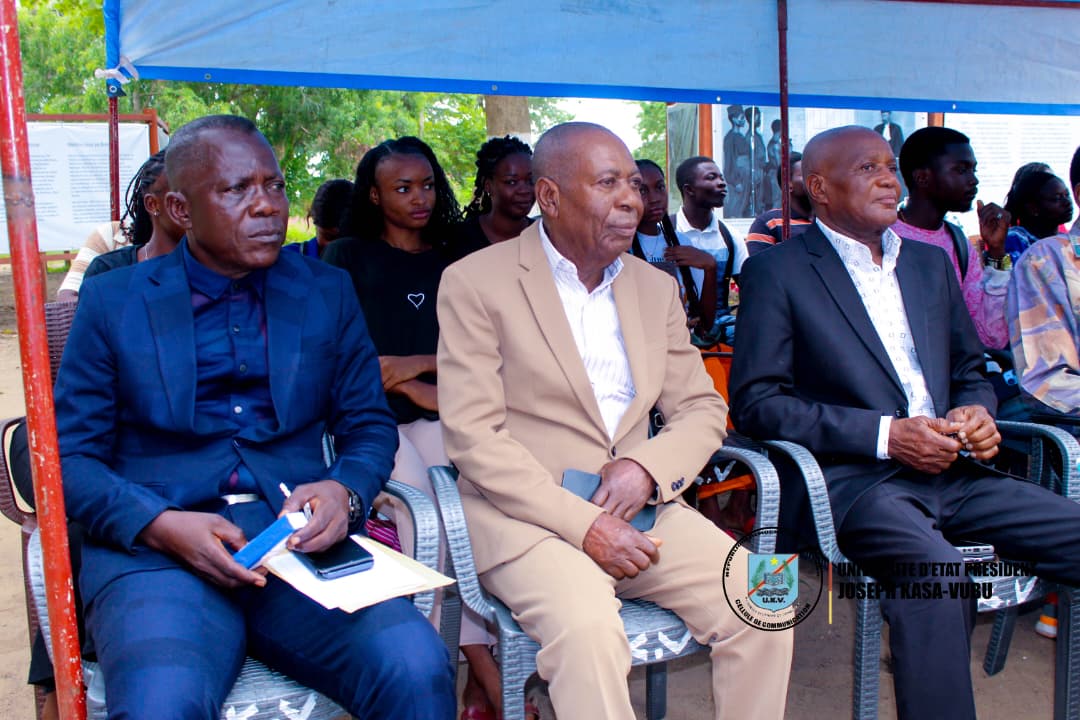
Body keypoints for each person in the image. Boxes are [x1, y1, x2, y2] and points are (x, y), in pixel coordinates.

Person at [53, 115, 455, 720]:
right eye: (237, 189)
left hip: (297, 547)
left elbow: (369, 424)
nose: (266, 205)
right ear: (182, 210)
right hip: (159, 557)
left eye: (274, 185)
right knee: (161, 704)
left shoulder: (326, 290)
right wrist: (160, 524)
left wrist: (345, 490)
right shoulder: (115, 300)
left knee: (416, 667)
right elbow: (69, 457)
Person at [437, 121, 793, 720]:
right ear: (550, 197)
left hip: (643, 511)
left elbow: (702, 407)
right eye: (608, 183)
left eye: (634, 183)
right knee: (589, 636)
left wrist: (645, 469)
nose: (632, 199)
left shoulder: (653, 288)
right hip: (526, 519)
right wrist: (586, 525)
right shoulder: (476, 281)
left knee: (767, 600)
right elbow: (474, 438)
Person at [730, 125, 1080, 720]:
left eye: (890, 167)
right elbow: (759, 402)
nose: (889, 180)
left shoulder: (929, 264)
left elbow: (970, 368)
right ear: (820, 188)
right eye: (868, 169)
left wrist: (977, 411)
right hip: (856, 481)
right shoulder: (778, 272)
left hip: (955, 469)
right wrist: (886, 437)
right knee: (939, 580)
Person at [322, 137, 503, 719]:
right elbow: (344, 361)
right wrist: (408, 386)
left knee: (479, 505)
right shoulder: (347, 257)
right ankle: (477, 670)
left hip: (450, 409)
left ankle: (466, 670)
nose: (420, 198)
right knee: (423, 507)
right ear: (375, 196)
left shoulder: (457, 255)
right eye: (402, 188)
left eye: (427, 185)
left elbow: (485, 352)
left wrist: (411, 369)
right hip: (372, 421)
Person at [892, 127, 1012, 350]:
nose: (974, 180)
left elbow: (990, 336)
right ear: (922, 177)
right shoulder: (883, 239)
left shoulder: (958, 243)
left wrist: (996, 252)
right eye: (961, 170)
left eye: (974, 170)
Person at [55, 151, 177, 301]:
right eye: (177, 200)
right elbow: (68, 297)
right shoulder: (112, 237)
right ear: (152, 204)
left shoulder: (199, 255)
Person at [632, 158, 717, 335]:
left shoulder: (682, 243)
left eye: (660, 187)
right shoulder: (620, 248)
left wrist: (710, 267)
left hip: (681, 346)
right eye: (643, 191)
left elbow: (706, 324)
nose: (655, 199)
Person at [674, 155, 748, 340]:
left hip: (721, 331)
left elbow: (746, 290)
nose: (722, 183)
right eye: (711, 177)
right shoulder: (667, 232)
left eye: (721, 177)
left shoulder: (730, 237)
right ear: (689, 189)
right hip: (674, 327)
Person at [460, 135, 535, 246]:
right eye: (511, 182)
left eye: (531, 180)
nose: (525, 190)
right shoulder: (457, 239)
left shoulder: (546, 237)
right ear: (488, 185)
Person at [746, 151, 813, 256]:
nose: (814, 180)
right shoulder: (768, 222)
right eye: (805, 175)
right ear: (788, 184)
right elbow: (757, 264)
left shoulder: (828, 221)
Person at [1004, 169, 1074, 265]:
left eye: (1067, 195)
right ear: (1033, 208)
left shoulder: (1066, 240)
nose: (1067, 202)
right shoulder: (1014, 239)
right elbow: (1005, 270)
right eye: (1057, 198)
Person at [284, 178, 352, 258]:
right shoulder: (287, 258)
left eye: (343, 239)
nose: (334, 247)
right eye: (328, 237)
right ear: (312, 218)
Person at [721, 104, 751, 217]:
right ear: (734, 119)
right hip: (738, 177)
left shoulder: (741, 136)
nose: (744, 120)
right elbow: (729, 161)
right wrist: (735, 181)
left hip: (745, 176)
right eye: (741, 118)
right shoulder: (730, 138)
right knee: (736, 208)